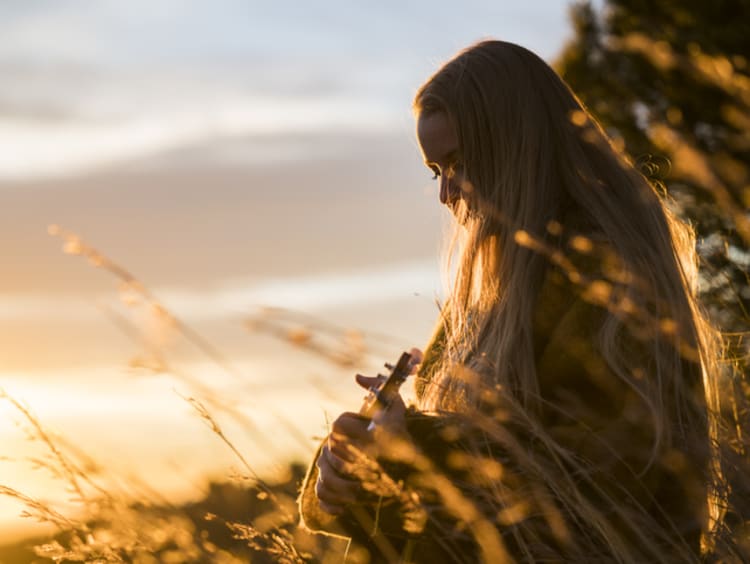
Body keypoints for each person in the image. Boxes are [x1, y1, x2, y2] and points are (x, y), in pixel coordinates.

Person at [298, 40, 746, 562]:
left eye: (459, 161)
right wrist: (345, 469)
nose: (446, 193)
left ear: (516, 144)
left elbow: (594, 487)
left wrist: (410, 450)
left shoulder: (609, 280)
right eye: (435, 170)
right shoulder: (490, 293)